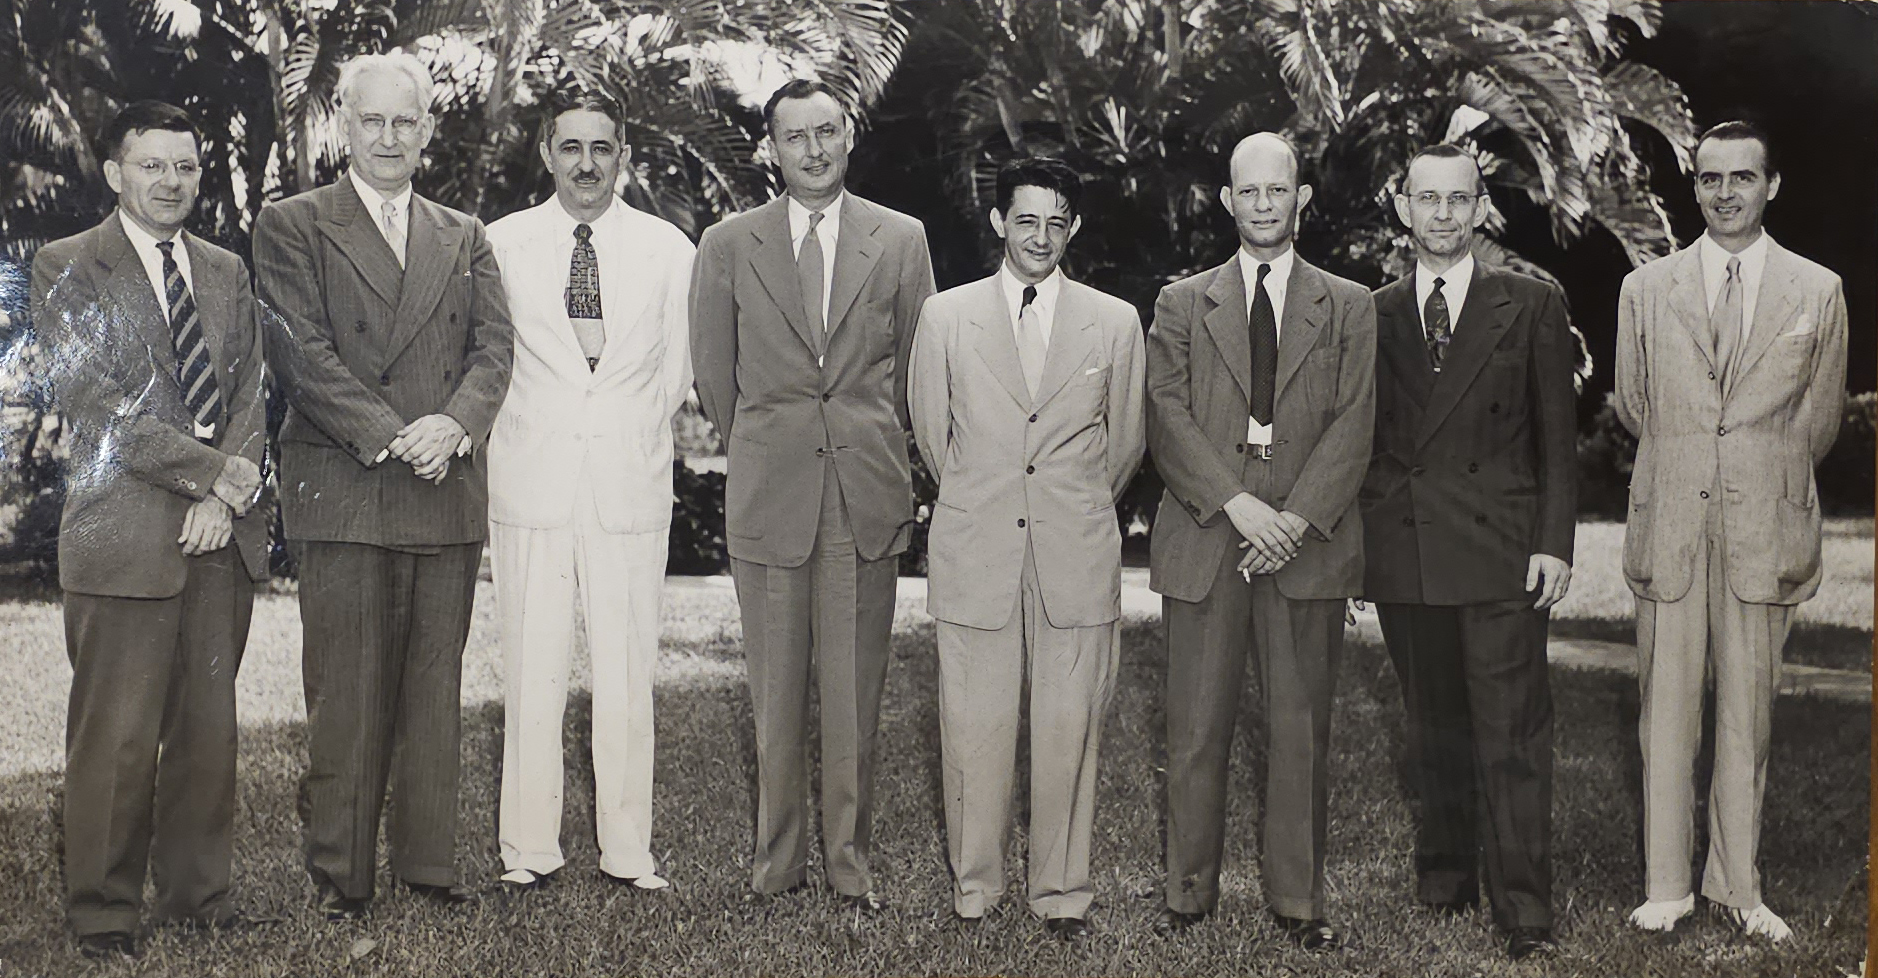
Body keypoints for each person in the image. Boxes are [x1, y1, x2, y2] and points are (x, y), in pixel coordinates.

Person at [252, 51, 514, 920]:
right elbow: (300, 355)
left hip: (443, 484)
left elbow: (493, 349)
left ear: (427, 131)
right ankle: (342, 873)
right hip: (347, 483)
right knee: (348, 690)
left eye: (406, 121)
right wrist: (392, 434)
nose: (390, 137)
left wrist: (457, 425)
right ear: (343, 127)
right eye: (373, 121)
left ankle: (430, 867)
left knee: (435, 686)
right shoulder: (292, 224)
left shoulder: (464, 232)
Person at [30, 100, 269, 959]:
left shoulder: (225, 270)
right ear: (115, 172)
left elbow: (249, 392)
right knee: (118, 738)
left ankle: (199, 898)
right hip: (122, 536)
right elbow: (98, 410)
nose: (172, 183)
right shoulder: (65, 268)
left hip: (220, 536)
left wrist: (225, 497)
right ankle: (102, 911)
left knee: (208, 731)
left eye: (187, 167)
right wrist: (211, 475)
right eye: (153, 165)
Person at [689, 76, 935, 910]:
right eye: (795, 137)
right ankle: (777, 862)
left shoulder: (901, 239)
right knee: (775, 693)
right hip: (772, 491)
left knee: (856, 694)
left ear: (849, 133)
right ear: (771, 147)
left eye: (827, 131)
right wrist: (770, 445)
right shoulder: (728, 244)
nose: (814, 150)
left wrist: (871, 445)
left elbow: (917, 371)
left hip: (864, 494)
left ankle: (849, 862)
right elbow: (716, 378)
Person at [1616, 120, 1846, 943]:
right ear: (1695, 186)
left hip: (1761, 529)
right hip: (1673, 519)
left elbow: (1816, 423)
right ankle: (1667, 887)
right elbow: (1634, 406)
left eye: (1742, 177)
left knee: (1748, 714)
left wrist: (1756, 469)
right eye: (1710, 178)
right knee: (1664, 713)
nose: (1725, 193)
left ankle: (1739, 888)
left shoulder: (1817, 291)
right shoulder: (1646, 290)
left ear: (1771, 185)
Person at [1145, 132, 1376, 949]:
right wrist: (1239, 507)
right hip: (1211, 537)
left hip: (1306, 544)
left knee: (1299, 729)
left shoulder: (1349, 304)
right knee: (1196, 726)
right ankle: (1187, 894)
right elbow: (1166, 417)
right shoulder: (1183, 301)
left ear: (1302, 198)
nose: (1265, 204)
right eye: (1250, 191)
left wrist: (1296, 521)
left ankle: (1298, 901)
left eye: (1279, 190)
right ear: (1227, 201)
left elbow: (1355, 422)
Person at [907, 157, 1146, 940]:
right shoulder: (946, 317)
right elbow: (935, 438)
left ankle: (1062, 891)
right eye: (1025, 220)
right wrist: (989, 498)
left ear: (1072, 226)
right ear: (998, 223)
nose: (1040, 236)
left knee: (1070, 725)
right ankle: (975, 887)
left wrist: (1065, 509)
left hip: (1074, 551)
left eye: (1056, 221)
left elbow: (1124, 447)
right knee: (972, 725)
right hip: (976, 546)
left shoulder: (1113, 322)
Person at [1360, 144, 1577, 961]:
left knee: (1512, 731)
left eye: (1460, 200)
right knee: (1432, 727)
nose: (1444, 216)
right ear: (1402, 207)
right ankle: (1445, 876)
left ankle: (1524, 908)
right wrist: (1362, 543)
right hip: (1407, 550)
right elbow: (1365, 441)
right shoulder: (1372, 311)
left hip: (1502, 551)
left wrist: (1554, 543)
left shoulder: (1529, 303)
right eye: (1428, 200)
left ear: (1481, 207)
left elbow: (1559, 439)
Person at [484, 90, 694, 893]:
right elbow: (493, 363)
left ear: (624, 156)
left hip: (627, 482)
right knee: (532, 668)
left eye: (601, 148)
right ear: (547, 153)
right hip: (531, 481)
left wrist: (621, 429)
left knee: (626, 671)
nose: (585, 164)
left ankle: (628, 850)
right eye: (570, 147)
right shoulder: (501, 244)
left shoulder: (669, 249)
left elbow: (676, 373)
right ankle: (528, 849)